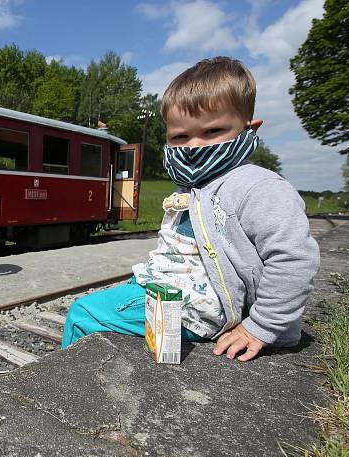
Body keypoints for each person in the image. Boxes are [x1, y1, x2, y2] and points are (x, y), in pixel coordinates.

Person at [62, 57, 320, 361]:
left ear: (249, 128)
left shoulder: (258, 187)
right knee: (126, 288)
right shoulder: (194, 187)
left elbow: (294, 259)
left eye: (213, 132)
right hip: (180, 290)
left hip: (205, 306)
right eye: (180, 137)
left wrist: (260, 326)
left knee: (83, 313)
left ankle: (74, 394)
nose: (194, 146)